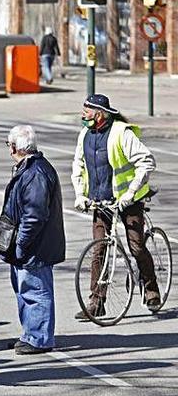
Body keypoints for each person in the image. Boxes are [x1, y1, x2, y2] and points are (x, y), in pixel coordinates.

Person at [71, 94, 161, 315]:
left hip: (128, 200)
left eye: (87, 111)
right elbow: (78, 166)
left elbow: (147, 161)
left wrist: (131, 193)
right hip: (101, 200)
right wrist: (80, 195)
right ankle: (96, 303)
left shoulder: (121, 133)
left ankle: (151, 290)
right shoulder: (85, 135)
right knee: (99, 249)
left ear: (100, 114)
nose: (83, 115)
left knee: (136, 246)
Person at [0, 125, 64, 354]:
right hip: (31, 245)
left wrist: (21, 243)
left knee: (35, 291)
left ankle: (39, 338)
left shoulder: (35, 173)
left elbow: (34, 215)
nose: (8, 149)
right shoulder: (30, 169)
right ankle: (30, 333)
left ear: (15, 147)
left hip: (36, 247)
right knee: (25, 290)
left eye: (9, 145)